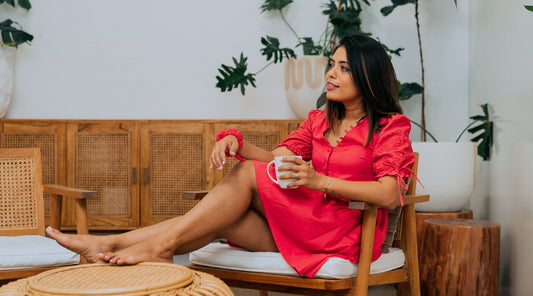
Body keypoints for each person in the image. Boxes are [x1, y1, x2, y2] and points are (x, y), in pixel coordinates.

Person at [46, 34, 415, 279]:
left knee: (244, 177)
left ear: (368, 76)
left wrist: (320, 181)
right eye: (331, 65)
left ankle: (150, 246)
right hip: (301, 225)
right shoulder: (320, 119)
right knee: (222, 216)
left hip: (338, 232)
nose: (331, 74)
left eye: (343, 68)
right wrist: (237, 143)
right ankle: (114, 243)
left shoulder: (390, 127)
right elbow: (275, 157)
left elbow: (387, 194)